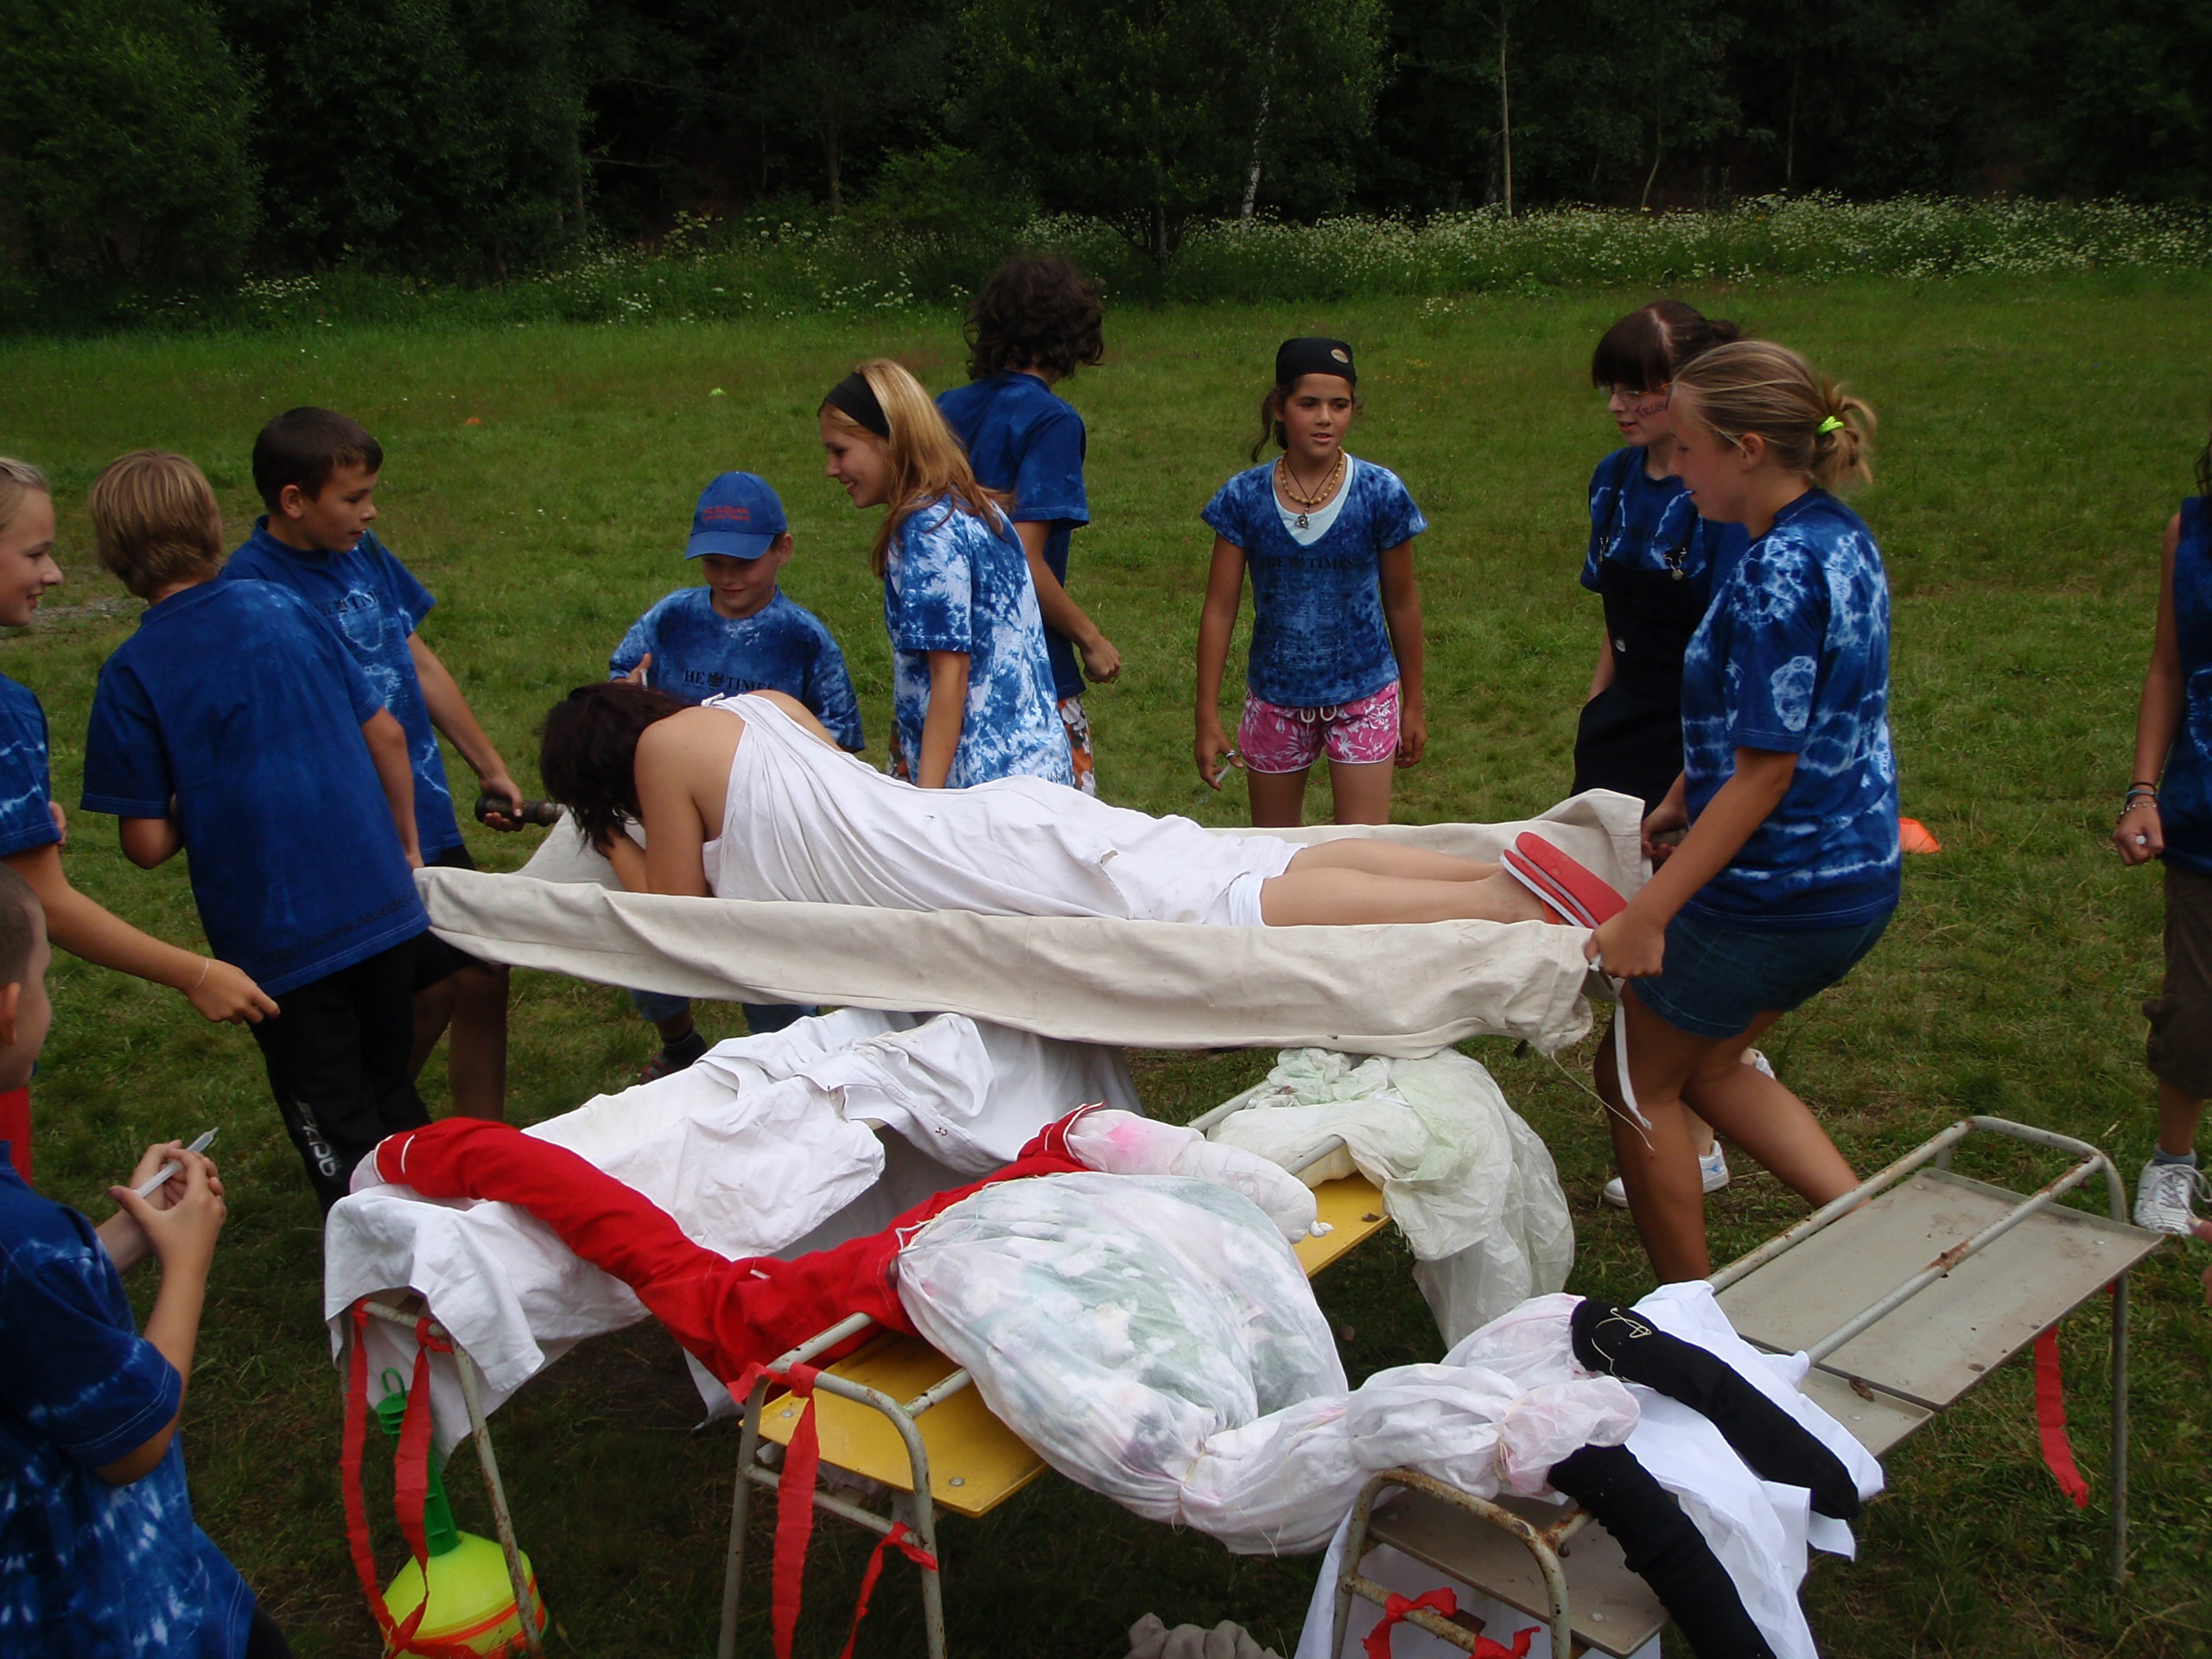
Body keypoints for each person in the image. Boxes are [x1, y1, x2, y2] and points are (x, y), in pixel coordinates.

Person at [1587, 340, 1899, 1284]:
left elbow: (1765, 777)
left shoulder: (1774, 573)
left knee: (1634, 1072)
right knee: (1711, 1067)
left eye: (1688, 448)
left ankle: (1691, 1322)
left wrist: (1649, 912)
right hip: (1856, 873)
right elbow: (1802, 709)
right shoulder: (1838, 536)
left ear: (1748, 449)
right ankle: (1887, 1247)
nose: (1676, 468)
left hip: (1774, 891)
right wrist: (1689, 785)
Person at [79, 451, 431, 1211]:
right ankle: (458, 1242)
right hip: (382, 901)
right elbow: (386, 733)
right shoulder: (282, 603)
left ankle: (386, 1262)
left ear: (113, 554)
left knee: (337, 1126)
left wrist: (198, 793)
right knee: (393, 1091)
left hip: (281, 947)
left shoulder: (132, 673)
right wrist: (407, 848)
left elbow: (144, 845)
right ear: (211, 527)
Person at [538, 683, 1612, 931]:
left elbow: (678, 918)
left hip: (974, 862)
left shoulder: (662, 759)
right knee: (1224, 865)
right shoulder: (757, 708)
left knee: (1217, 907)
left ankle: (1501, 902)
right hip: (991, 815)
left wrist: (603, 835)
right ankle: (1491, 871)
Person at [0, 865, 296, 1658]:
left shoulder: (25, 1249)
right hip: (94, 1607)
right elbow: (133, 1438)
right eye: (45, 979)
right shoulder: (18, 1238)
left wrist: (129, 1233)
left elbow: (26, 1310)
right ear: (9, 1011)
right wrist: (187, 1264)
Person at [221, 408, 519, 1122]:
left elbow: (416, 658)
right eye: (353, 498)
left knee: (484, 969)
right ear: (294, 500)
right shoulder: (252, 589)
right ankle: (363, 1126)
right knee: (425, 989)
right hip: (355, 831)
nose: (370, 511)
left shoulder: (363, 551)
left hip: (423, 810)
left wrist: (487, 764)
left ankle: (485, 1142)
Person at [0, 461, 276, 1185]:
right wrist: (198, 972)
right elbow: (44, 902)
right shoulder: (5, 711)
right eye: (34, 553)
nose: (55, 573)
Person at [1571, 304, 1751, 1211]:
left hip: (1696, 725)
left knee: (1678, 911)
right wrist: (1597, 705)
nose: (1621, 404)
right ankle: (1701, 1063)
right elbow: (1613, 612)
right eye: (1613, 386)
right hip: (1623, 718)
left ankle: (1700, 1127)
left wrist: (1701, 758)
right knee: (1607, 896)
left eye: (1640, 388)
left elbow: (1729, 641)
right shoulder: (1611, 480)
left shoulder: (1716, 495)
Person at [607, 471, 861, 1077]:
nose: (727, 577)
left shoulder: (803, 638)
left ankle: (790, 1063)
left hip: (759, 820)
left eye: (744, 563)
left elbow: (839, 741)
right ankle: (678, 1042)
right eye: (713, 563)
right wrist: (626, 689)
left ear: (783, 550)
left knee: (769, 952)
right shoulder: (671, 618)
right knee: (653, 934)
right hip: (668, 806)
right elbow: (620, 683)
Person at [1195, 337, 1428, 829]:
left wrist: (1414, 704)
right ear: (1279, 408)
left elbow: (1402, 602)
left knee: (1362, 853)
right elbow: (1219, 607)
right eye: (1308, 404)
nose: (1325, 418)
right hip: (1275, 701)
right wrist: (1206, 713)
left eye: (1339, 405)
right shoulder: (1243, 497)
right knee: (1276, 853)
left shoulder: (1380, 493)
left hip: (1364, 698)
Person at [818, 359, 1071, 790]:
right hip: (1036, 771)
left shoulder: (928, 531)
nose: (831, 468)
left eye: (840, 451)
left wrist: (926, 805)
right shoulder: (975, 508)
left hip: (978, 789)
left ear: (890, 441)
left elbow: (949, 676)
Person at [937, 255, 1120, 796]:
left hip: (944, 663)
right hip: (1026, 677)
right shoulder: (1050, 421)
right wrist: (1091, 639)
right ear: (1074, 334)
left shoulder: (943, 409)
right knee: (1060, 830)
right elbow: (1021, 558)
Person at [2113, 410, 2212, 1236]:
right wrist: (2143, 791)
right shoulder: (2192, 533)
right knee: (2196, 1016)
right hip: (2204, 817)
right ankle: (2173, 1163)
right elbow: (2169, 667)